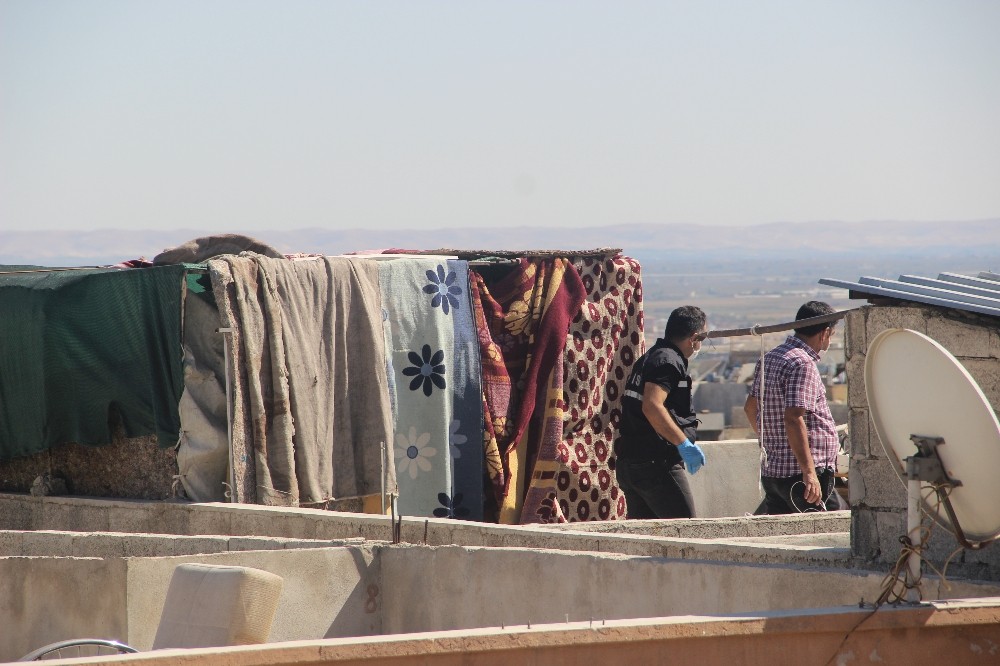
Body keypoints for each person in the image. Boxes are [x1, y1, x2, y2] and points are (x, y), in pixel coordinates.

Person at [744, 301, 842, 514]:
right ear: (825, 333)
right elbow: (794, 417)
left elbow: (750, 408)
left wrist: (770, 441)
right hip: (802, 479)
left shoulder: (770, 358)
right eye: (832, 334)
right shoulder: (802, 363)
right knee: (827, 534)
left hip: (774, 474)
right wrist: (809, 473)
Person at [615, 305, 708, 519]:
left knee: (647, 538)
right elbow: (652, 405)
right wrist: (682, 444)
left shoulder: (654, 357)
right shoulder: (668, 362)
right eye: (702, 338)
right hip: (655, 465)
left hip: (633, 462)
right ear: (694, 338)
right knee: (686, 531)